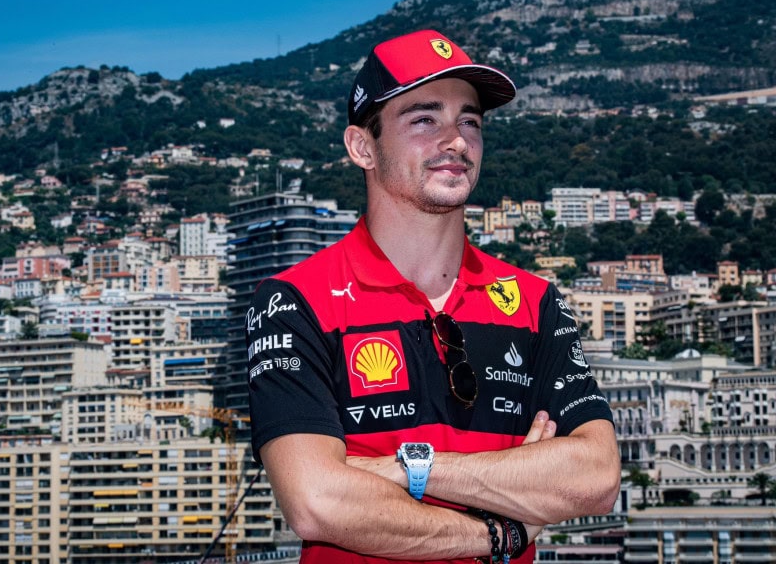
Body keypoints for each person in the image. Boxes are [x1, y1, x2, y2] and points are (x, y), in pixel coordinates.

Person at [245, 29, 620, 564]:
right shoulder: (294, 301)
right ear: (363, 147)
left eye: (469, 120)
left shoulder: (536, 302)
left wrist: (404, 468)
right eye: (424, 119)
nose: (457, 141)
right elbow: (317, 501)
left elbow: (596, 476)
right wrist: (504, 530)